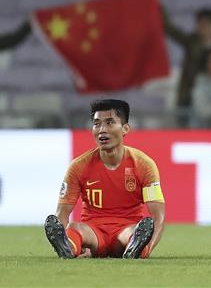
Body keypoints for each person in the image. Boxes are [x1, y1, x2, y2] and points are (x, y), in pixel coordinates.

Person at [45, 99, 164, 259]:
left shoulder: (144, 165)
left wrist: (149, 247)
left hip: (126, 230)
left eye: (109, 123)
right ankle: (68, 247)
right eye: (97, 124)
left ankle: (137, 247)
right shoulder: (78, 167)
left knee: (134, 233)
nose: (102, 130)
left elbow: (158, 217)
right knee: (75, 228)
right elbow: (62, 213)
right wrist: (61, 234)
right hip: (93, 232)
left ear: (125, 129)